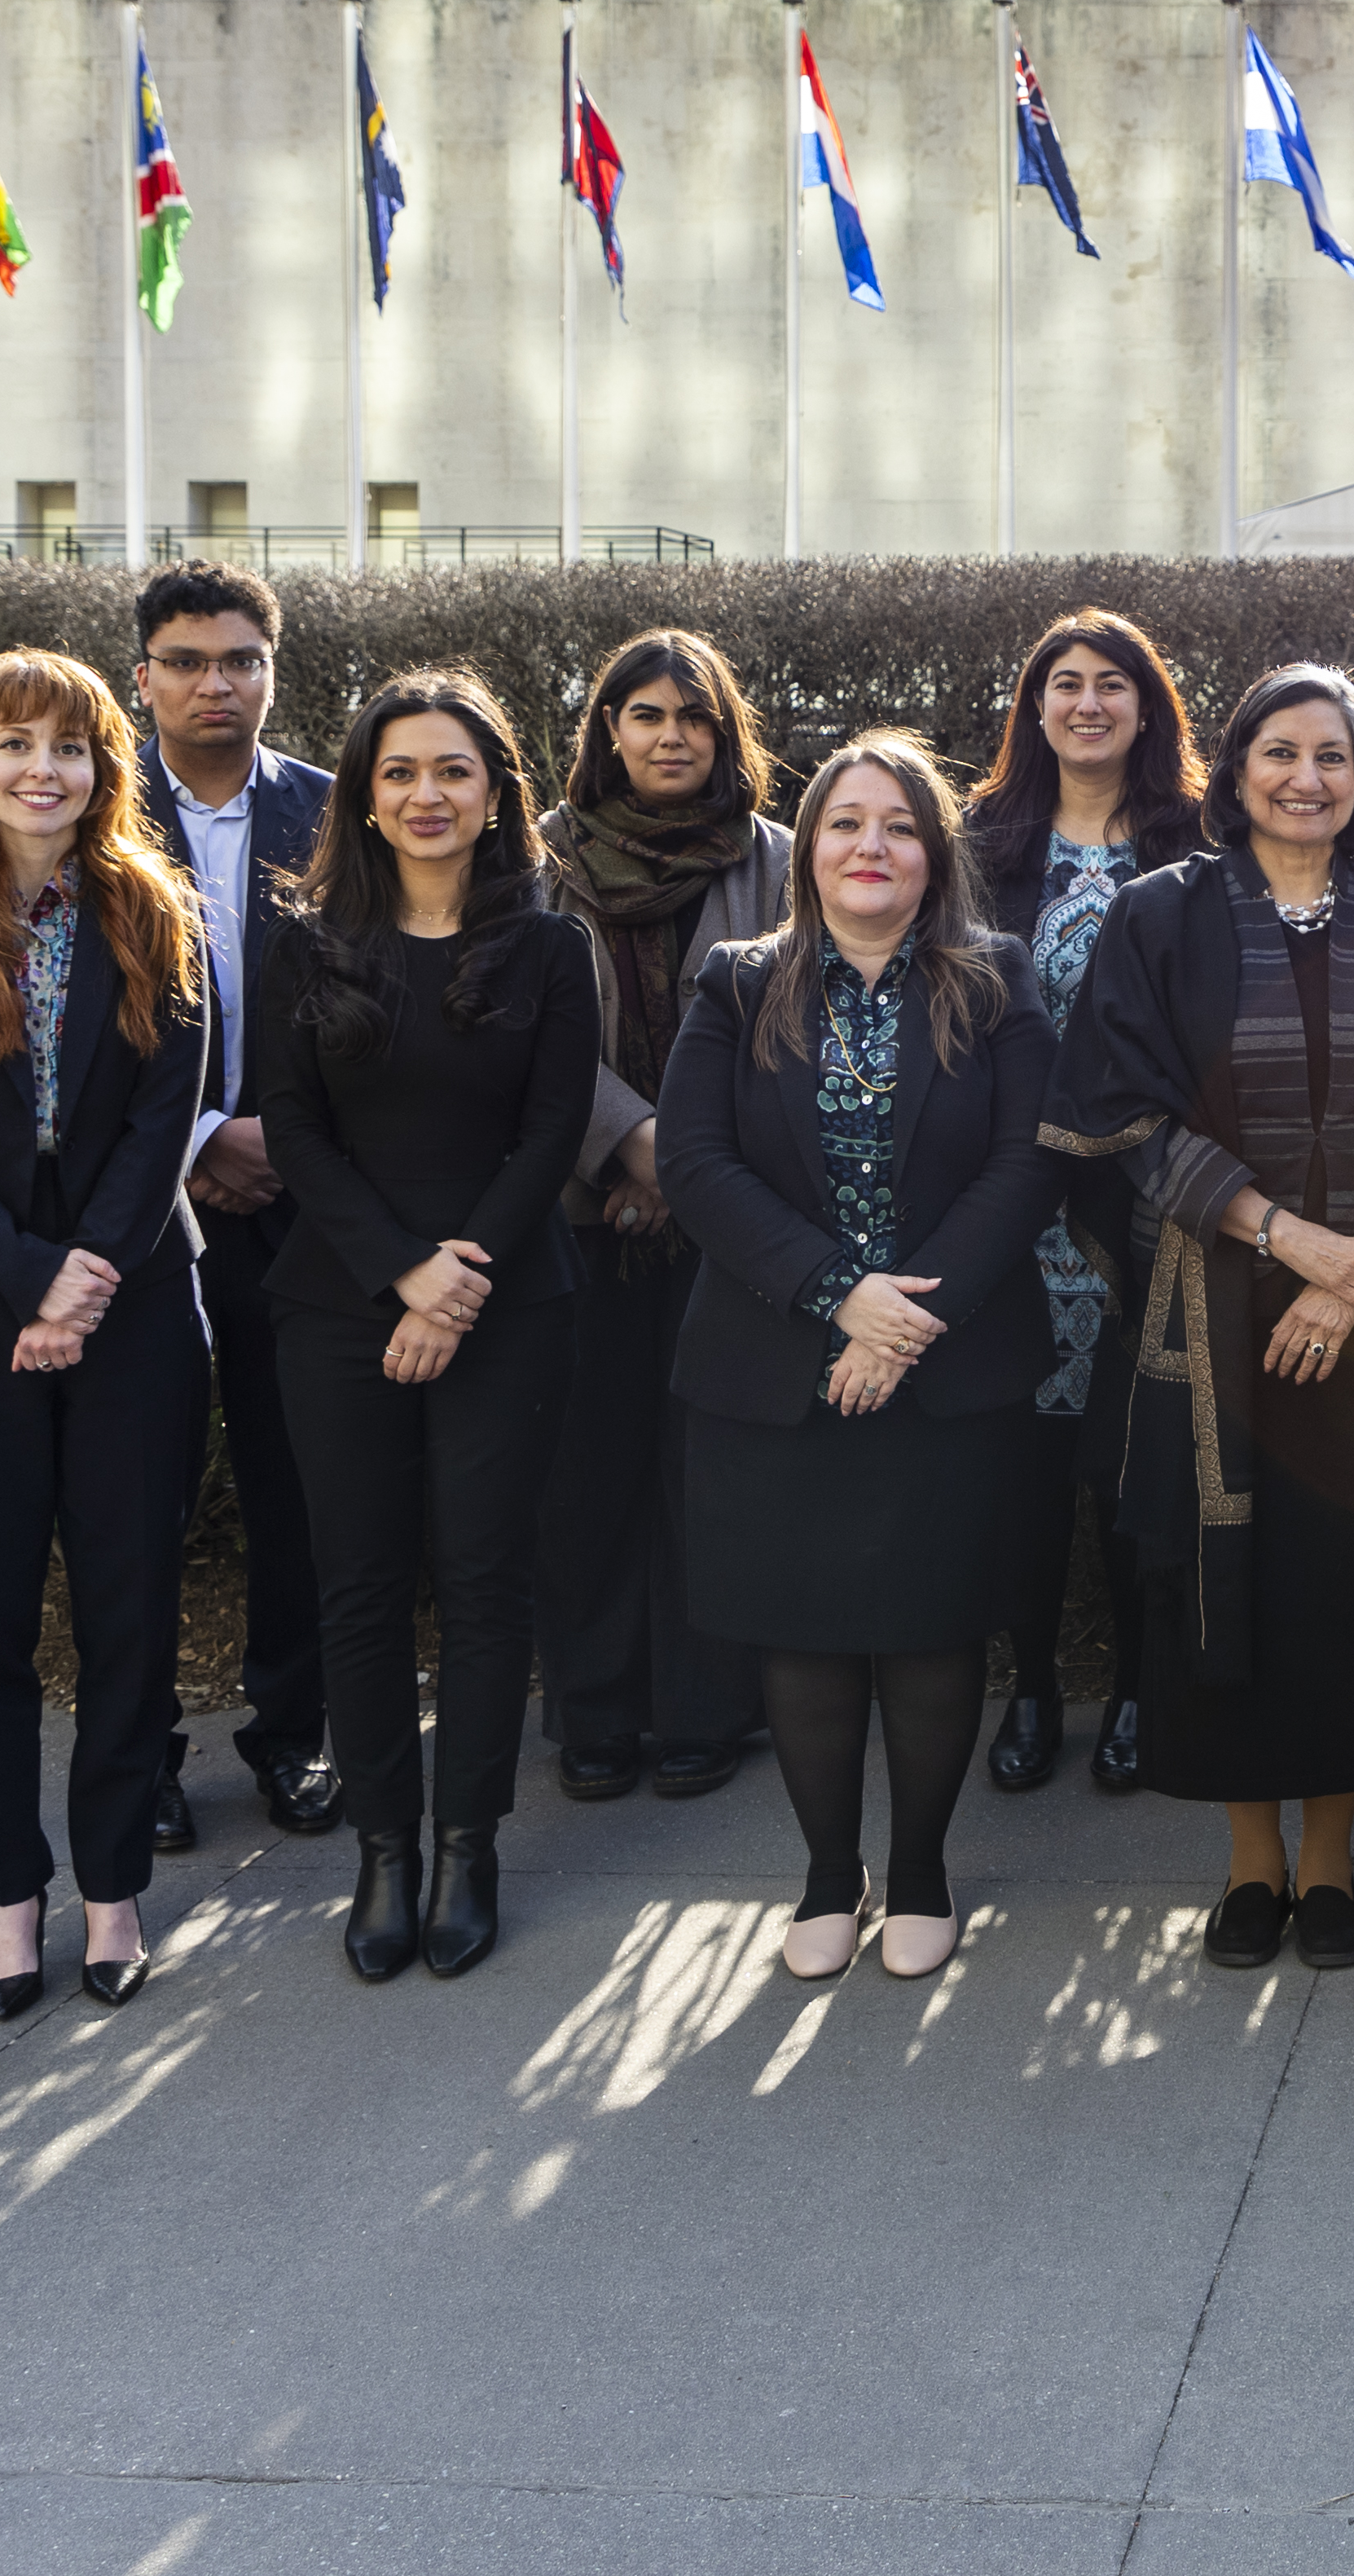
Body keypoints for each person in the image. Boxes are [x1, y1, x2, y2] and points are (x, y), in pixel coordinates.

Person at [1046, 667, 1354, 1971]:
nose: (1309, 777)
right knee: (1219, 1589)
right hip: (1214, 1309)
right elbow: (1115, 1112)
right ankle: (1251, 1863)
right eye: (1282, 753)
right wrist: (1286, 1239)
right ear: (1234, 771)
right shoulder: (1159, 918)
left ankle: (1335, 1861)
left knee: (1350, 1590)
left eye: (1335, 758)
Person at [662, 733, 1059, 1984]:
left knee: (933, 1627)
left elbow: (1027, 1162)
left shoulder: (996, 979)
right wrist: (841, 1299)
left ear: (934, 855)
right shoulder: (738, 982)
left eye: (897, 825)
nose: (870, 846)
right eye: (845, 824)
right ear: (809, 850)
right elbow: (696, 1167)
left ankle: (926, 1872)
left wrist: (903, 1323)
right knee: (809, 1634)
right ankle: (831, 1876)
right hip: (779, 1372)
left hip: (949, 1371)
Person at [0, 652, 213, 2021]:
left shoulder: (156, 913)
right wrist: (24, 1283)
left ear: (101, 767)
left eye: (68, 747)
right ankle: (12, 1892)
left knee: (130, 1610)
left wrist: (81, 1286)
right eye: (13, 746)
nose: (41, 771)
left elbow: (158, 1123)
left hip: (129, 1317)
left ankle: (114, 1885)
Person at [257, 669, 600, 1982]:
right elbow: (292, 1125)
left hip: (511, 1304)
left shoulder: (548, 944)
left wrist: (460, 1284)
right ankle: (384, 1852)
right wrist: (404, 1272)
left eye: (453, 769)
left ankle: (469, 1845)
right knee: (357, 1585)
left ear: (495, 790)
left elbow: (551, 1130)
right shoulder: (307, 940)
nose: (426, 794)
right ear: (363, 795)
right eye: (399, 772)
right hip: (339, 1304)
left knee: (483, 1579)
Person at [535, 631, 788, 1808]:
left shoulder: (780, 862)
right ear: (608, 731)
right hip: (579, 1212)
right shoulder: (540, 862)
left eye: (694, 716)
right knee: (584, 1474)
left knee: (711, 1470)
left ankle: (704, 1709)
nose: (670, 735)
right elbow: (529, 1040)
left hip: (730, 1222)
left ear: (725, 733)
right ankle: (593, 1711)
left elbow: (791, 1035)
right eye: (644, 713)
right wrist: (630, 1149)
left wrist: (680, 1169)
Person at [966, 605, 1211, 1799]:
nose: (1087, 702)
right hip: (1010, 1197)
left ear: (1147, 707)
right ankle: (1027, 1689)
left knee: (1129, 1459)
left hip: (1142, 1197)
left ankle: (1131, 1688)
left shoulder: (1197, 838)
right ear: (1036, 707)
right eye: (1063, 681)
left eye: (1113, 682)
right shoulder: (980, 843)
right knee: (1019, 1466)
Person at [131, 562, 339, 1849]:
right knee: (132, 1490)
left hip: (298, 1202)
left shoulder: (334, 812)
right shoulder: (86, 807)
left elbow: (375, 1011)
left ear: (273, 669)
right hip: (135, 1212)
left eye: (242, 660)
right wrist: (199, 1135)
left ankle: (294, 1731)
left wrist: (281, 1139)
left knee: (296, 1480)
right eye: (188, 660)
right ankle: (137, 1750)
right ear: (143, 673)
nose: (218, 684)